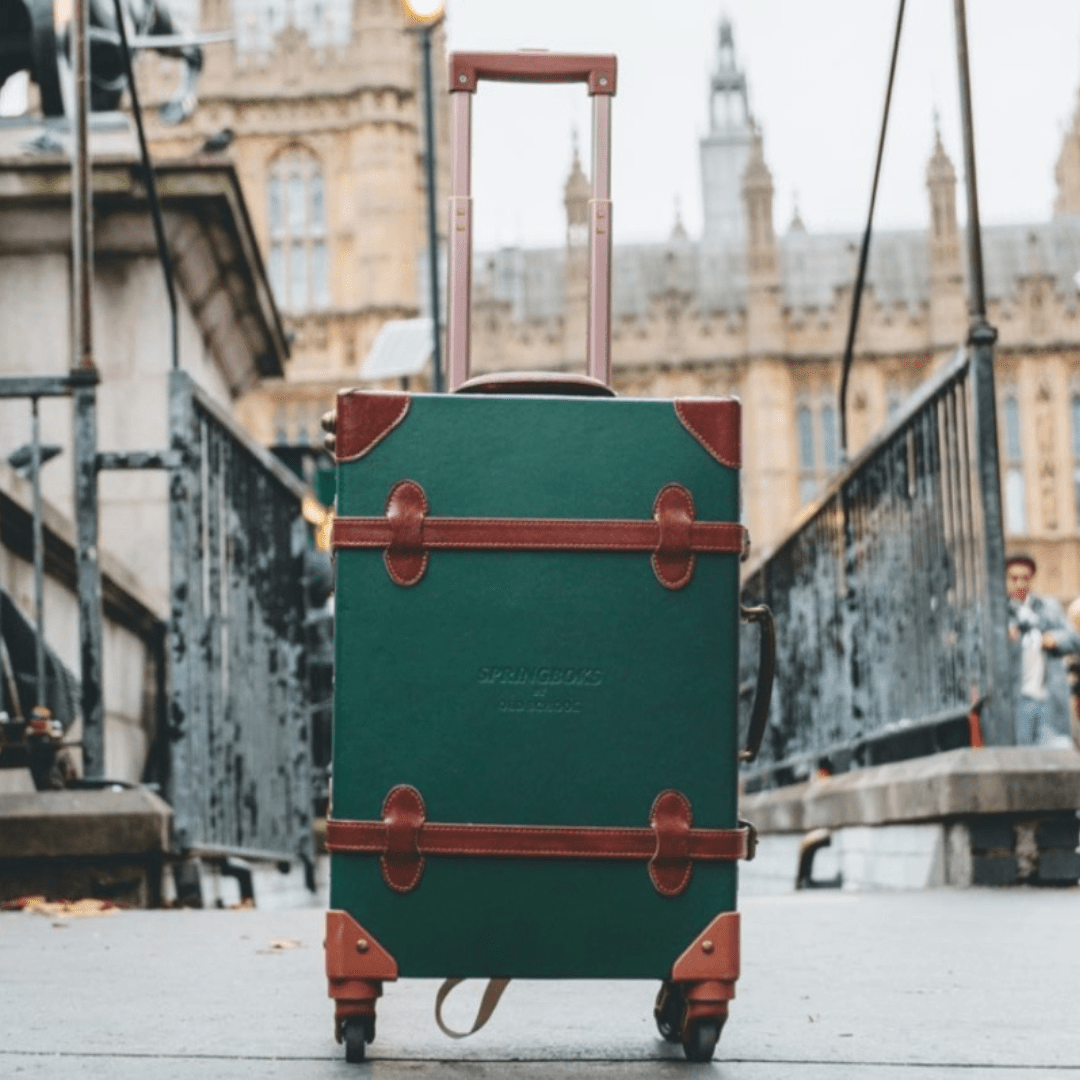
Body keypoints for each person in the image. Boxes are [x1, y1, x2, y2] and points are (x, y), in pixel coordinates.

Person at [1006, 554, 1080, 747]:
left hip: (1049, 699)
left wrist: (1055, 639)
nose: (1020, 583)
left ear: (1032, 578)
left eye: (1025, 578)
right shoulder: (998, 614)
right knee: (1021, 762)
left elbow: (1074, 639)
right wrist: (1004, 641)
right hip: (1016, 702)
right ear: (1005, 580)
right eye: (1013, 578)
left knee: (1058, 753)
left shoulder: (1049, 607)